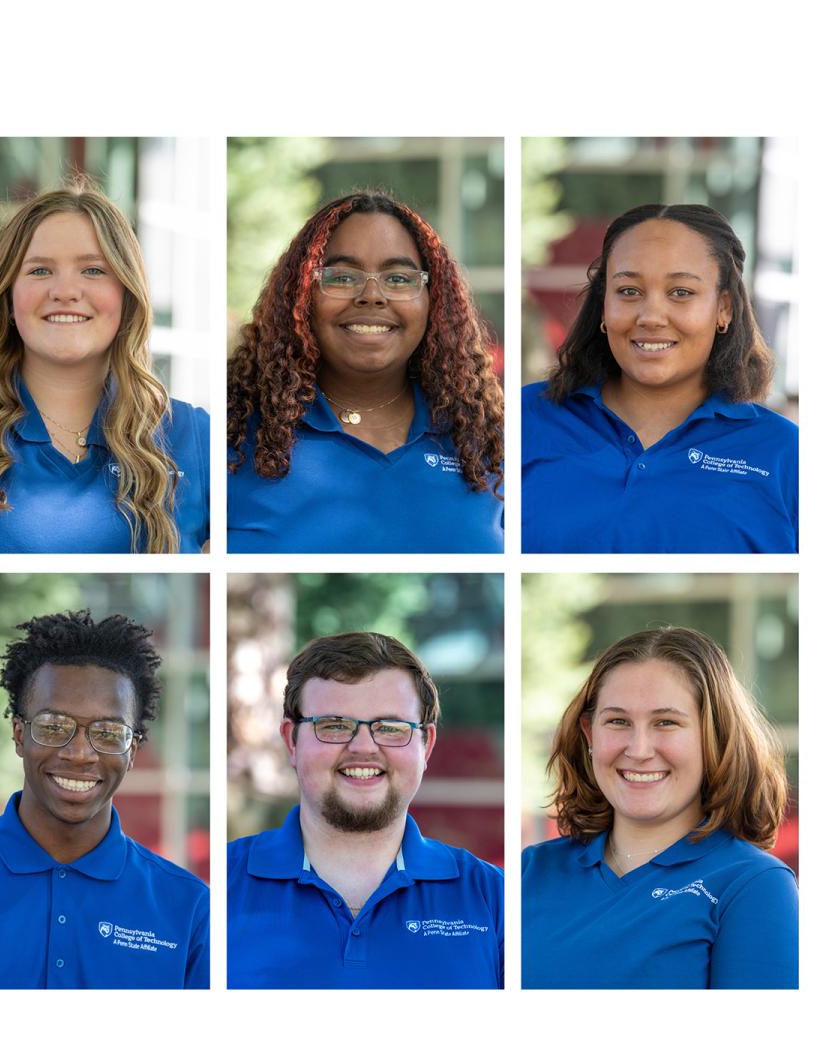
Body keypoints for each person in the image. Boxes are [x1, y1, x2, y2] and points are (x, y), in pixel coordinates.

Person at [0, 610, 209, 987]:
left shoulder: (188, 908)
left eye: (109, 732)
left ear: (133, 751)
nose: (80, 754)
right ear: (19, 734)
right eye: (53, 727)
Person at [0, 180, 209, 553]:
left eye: (93, 270)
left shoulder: (194, 437)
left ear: (126, 295)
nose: (64, 291)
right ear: (8, 297)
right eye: (40, 271)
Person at [228, 191, 503, 553]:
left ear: (433, 302)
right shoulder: (231, 437)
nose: (372, 295)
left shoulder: (489, 442)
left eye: (400, 279)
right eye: (342, 277)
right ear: (302, 296)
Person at [522, 627, 796, 988]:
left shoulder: (752, 886)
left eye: (666, 722)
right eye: (618, 721)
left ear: (714, 735)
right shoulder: (531, 871)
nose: (638, 749)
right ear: (590, 735)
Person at [228, 632, 503, 988]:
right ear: (291, 741)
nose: (363, 747)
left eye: (390, 728)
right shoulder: (216, 892)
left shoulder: (496, 901)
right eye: (334, 725)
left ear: (427, 746)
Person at [523, 203, 796, 553]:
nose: (651, 316)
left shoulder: (787, 456)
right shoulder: (520, 420)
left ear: (724, 308)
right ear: (604, 306)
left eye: (681, 292)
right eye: (629, 291)